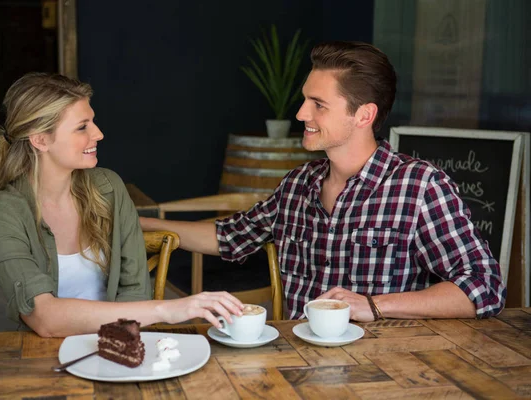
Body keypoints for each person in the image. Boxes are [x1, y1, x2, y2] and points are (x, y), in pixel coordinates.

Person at [141, 41, 506, 322]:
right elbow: (231, 237)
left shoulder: (420, 186)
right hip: (295, 361)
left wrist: (372, 306)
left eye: (319, 104)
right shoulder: (298, 184)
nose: (301, 113)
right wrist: (143, 223)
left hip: (384, 369)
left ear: (364, 115)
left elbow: (484, 287)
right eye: (304, 100)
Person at [0, 72, 243, 338]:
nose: (98, 133)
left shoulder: (109, 188)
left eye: (92, 122)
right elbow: (43, 317)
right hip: (41, 356)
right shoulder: (3, 212)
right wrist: (166, 310)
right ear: (40, 140)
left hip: (115, 343)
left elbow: (134, 291)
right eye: (82, 127)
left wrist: (114, 352)